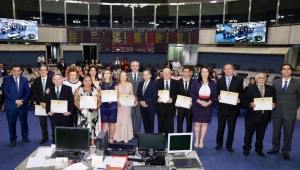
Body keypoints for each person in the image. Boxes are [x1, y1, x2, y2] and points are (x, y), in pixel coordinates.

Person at [267, 64, 300, 161]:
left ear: (291, 71)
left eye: (288, 69)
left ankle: (285, 151)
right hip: (277, 111)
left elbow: (299, 98)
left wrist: (294, 107)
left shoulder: (297, 83)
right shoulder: (276, 82)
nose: (286, 71)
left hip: (290, 112)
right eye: (284, 69)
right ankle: (275, 148)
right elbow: (273, 95)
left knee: (288, 133)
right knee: (276, 131)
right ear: (281, 71)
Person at [242, 73, 275, 157]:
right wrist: (250, 104)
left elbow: (274, 100)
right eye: (259, 78)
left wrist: (274, 105)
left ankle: (259, 148)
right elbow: (243, 101)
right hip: (251, 117)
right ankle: (246, 148)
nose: (261, 79)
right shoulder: (248, 88)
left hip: (265, 117)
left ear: (266, 79)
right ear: (256, 79)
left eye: (263, 78)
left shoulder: (271, 89)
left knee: (261, 135)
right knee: (248, 135)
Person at [216, 64, 243, 153]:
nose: (228, 70)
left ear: (233, 70)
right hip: (222, 108)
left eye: (229, 69)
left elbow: (242, 93)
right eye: (226, 69)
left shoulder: (239, 80)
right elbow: (217, 92)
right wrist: (217, 97)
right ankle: (219, 143)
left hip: (233, 108)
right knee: (220, 127)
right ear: (224, 71)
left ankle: (229, 145)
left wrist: (240, 99)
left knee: (231, 128)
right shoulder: (219, 81)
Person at [3, 64, 30, 147]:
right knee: (11, 123)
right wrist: (16, 101)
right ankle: (13, 138)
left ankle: (25, 136)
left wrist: (22, 101)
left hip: (22, 105)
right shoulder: (6, 80)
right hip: (11, 105)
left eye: (18, 70)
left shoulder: (25, 80)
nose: (16, 72)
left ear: (21, 71)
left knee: (24, 122)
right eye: (14, 70)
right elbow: (6, 92)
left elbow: (28, 92)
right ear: (11, 71)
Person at [190, 67, 217, 148]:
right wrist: (199, 101)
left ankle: (201, 140)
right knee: (197, 124)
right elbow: (191, 92)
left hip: (208, 105)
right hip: (197, 104)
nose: (205, 74)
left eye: (206, 72)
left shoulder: (213, 83)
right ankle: (196, 139)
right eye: (203, 72)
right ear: (200, 73)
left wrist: (208, 102)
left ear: (209, 73)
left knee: (205, 124)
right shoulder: (195, 81)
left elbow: (215, 94)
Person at [45, 73, 74, 143]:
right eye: (55, 79)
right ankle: (56, 145)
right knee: (55, 133)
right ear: (52, 81)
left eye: (58, 79)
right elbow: (48, 102)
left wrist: (69, 111)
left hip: (65, 115)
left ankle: (66, 146)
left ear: (62, 80)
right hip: (54, 115)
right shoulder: (49, 90)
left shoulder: (68, 88)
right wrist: (48, 111)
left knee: (65, 133)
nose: (57, 81)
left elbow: (71, 101)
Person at [74, 76, 102, 146]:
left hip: (93, 112)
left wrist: (96, 107)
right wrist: (78, 107)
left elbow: (99, 101)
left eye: (89, 80)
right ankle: (84, 143)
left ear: (91, 81)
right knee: (83, 126)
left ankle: (93, 142)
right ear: (82, 82)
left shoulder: (96, 89)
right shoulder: (78, 89)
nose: (87, 82)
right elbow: (75, 101)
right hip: (83, 113)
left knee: (93, 127)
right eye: (85, 80)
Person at [32, 65, 54, 144]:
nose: (43, 71)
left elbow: (54, 93)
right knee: (42, 122)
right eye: (41, 70)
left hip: (51, 104)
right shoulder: (36, 81)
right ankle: (45, 137)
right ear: (39, 71)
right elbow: (35, 93)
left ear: (47, 71)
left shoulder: (51, 80)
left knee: (53, 122)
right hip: (40, 105)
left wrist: (47, 103)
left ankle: (54, 136)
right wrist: (40, 102)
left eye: (45, 70)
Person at [114, 71, 136, 143]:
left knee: (127, 119)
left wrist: (134, 102)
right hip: (120, 105)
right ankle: (118, 137)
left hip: (127, 106)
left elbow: (132, 95)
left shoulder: (130, 84)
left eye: (125, 75)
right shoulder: (117, 85)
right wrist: (117, 101)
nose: (124, 77)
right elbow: (116, 96)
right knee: (119, 120)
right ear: (119, 77)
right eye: (122, 76)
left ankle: (126, 136)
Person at [156, 68, 179, 136]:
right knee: (161, 123)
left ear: (171, 74)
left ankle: (169, 137)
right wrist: (157, 98)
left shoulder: (176, 82)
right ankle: (161, 138)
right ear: (162, 74)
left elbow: (178, 93)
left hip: (171, 106)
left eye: (168, 73)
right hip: (160, 106)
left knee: (170, 123)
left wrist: (172, 98)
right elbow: (154, 93)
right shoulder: (157, 82)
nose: (166, 75)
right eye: (165, 73)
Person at [100, 69, 118, 143]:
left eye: (108, 73)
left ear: (110, 74)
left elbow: (117, 94)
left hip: (113, 105)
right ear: (103, 75)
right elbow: (100, 94)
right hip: (104, 105)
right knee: (105, 122)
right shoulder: (100, 83)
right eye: (105, 73)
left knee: (112, 122)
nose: (107, 75)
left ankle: (111, 138)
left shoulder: (114, 83)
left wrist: (112, 99)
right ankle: (106, 138)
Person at [127, 61, 143, 137]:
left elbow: (143, 88)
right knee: (130, 116)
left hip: (139, 100)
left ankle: (137, 131)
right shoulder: (127, 75)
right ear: (130, 67)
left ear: (139, 67)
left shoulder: (142, 75)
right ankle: (130, 131)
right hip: (129, 100)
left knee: (138, 116)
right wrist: (132, 97)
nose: (135, 67)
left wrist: (138, 98)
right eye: (133, 66)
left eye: (136, 66)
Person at [176, 67, 193, 133]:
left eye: (187, 71)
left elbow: (195, 93)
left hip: (190, 106)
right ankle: (179, 138)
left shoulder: (194, 82)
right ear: (182, 72)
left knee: (189, 124)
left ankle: (188, 138)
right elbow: (176, 93)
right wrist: (176, 103)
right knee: (179, 123)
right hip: (180, 106)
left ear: (190, 73)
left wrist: (193, 102)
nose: (186, 73)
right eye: (184, 71)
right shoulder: (178, 82)